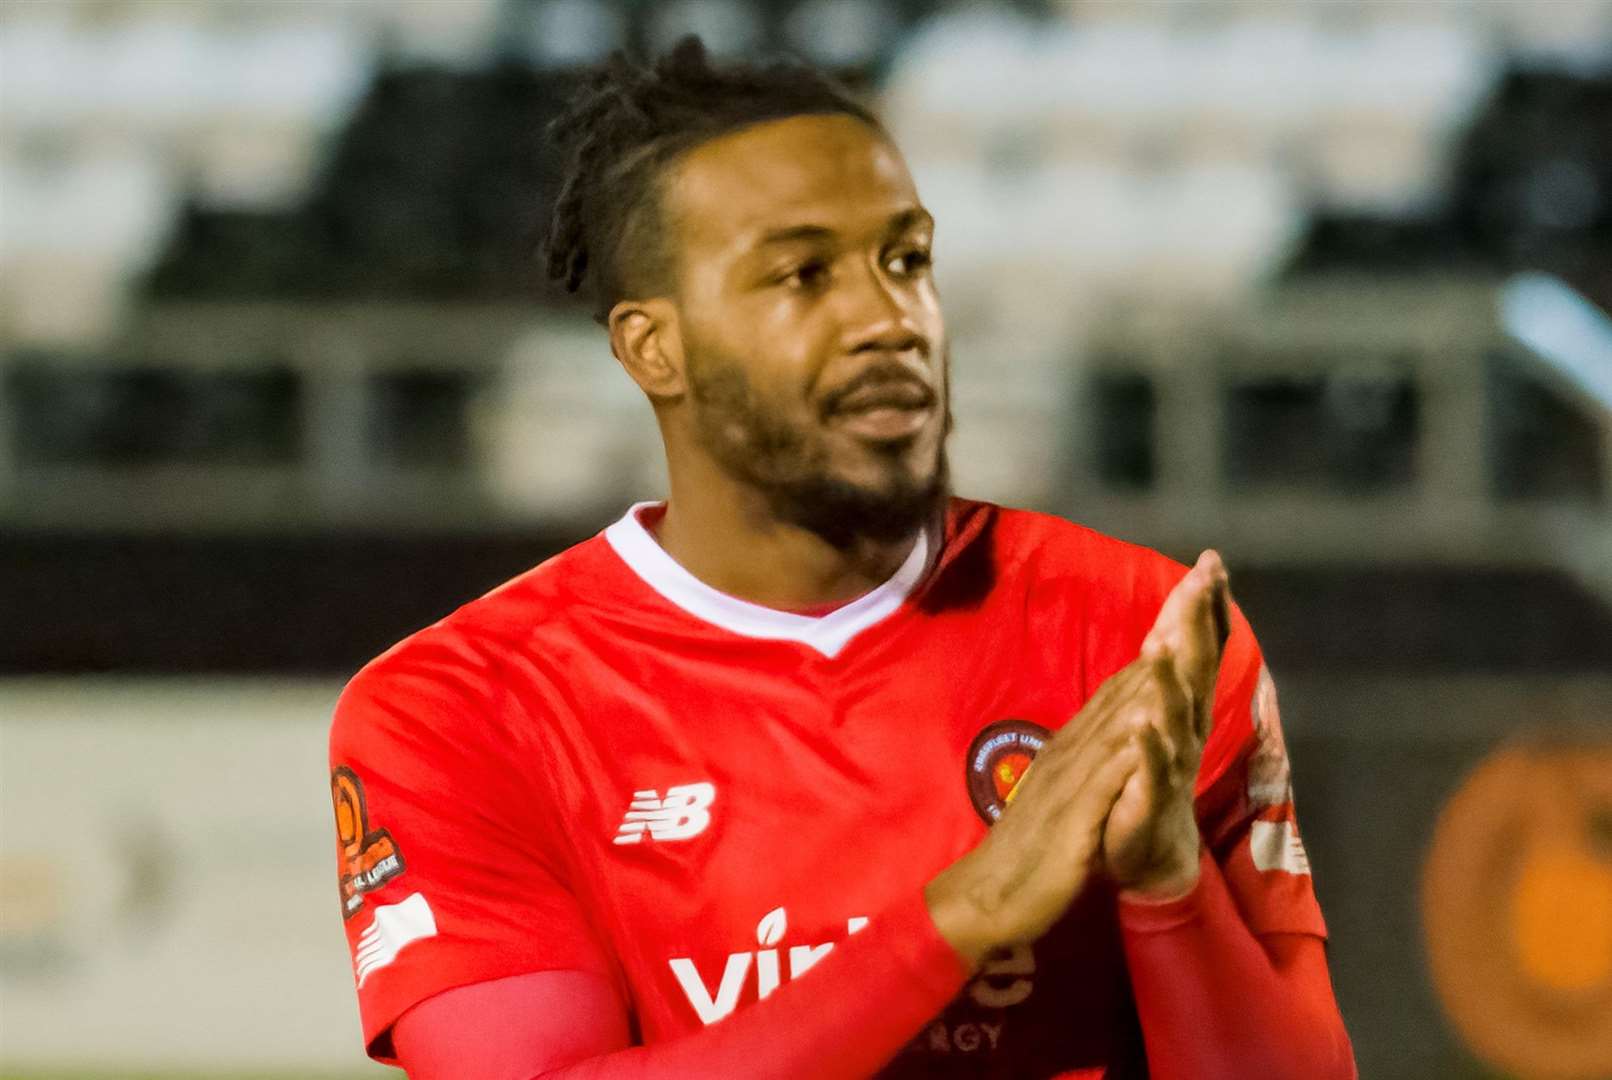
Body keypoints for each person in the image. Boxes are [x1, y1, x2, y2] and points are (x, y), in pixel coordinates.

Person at [328, 37, 1356, 1079]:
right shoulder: (461, 707)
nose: (886, 318)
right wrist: (967, 913)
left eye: (904, 260)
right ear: (654, 347)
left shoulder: (1136, 633)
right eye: (802, 274)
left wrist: (1167, 884)